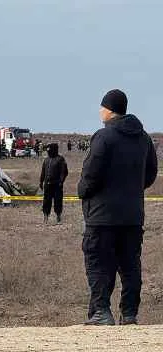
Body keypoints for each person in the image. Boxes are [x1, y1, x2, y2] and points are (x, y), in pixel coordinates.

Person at [78, 89, 158, 326]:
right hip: (132, 216)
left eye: (102, 106)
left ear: (109, 109)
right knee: (130, 265)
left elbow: (91, 173)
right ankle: (130, 314)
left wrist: (83, 190)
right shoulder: (143, 138)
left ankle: (101, 312)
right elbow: (151, 172)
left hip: (102, 216)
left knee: (98, 264)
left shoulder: (104, 137)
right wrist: (132, 189)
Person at [39, 143, 68, 224]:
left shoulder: (60, 159)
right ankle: (45, 217)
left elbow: (64, 172)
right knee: (46, 201)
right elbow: (43, 172)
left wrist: (61, 182)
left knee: (58, 201)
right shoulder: (46, 160)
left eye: (50, 150)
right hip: (47, 185)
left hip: (57, 185)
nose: (48, 152)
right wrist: (41, 182)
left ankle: (58, 216)